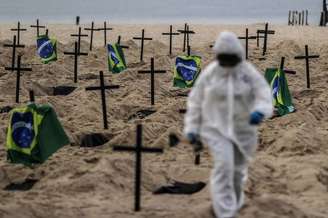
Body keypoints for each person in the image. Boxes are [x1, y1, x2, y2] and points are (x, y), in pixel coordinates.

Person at [183, 32, 273, 218]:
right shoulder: (211, 73)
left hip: (243, 131)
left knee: (238, 172)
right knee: (223, 167)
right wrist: (192, 128)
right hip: (216, 129)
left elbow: (263, 92)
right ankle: (225, 212)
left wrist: (260, 110)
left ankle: (235, 203)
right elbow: (196, 100)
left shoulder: (247, 73)